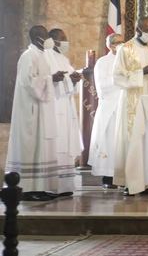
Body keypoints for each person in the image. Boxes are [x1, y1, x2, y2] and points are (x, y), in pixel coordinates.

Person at [5, 25, 67, 201]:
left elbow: (43, 80)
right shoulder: (28, 56)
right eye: (46, 35)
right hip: (30, 112)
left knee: (42, 147)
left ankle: (40, 187)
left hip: (43, 110)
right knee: (32, 147)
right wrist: (50, 79)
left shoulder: (41, 55)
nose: (48, 38)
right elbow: (28, 83)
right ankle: (27, 189)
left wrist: (54, 79)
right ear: (37, 38)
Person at [113, 17, 148, 195]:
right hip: (132, 100)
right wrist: (140, 72)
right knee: (134, 137)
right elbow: (117, 76)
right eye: (146, 30)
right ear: (137, 29)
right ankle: (131, 183)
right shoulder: (125, 49)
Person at [45, 28, 83, 196]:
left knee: (65, 143)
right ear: (53, 40)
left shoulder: (63, 58)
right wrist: (67, 80)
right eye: (63, 38)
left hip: (65, 106)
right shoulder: (46, 57)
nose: (66, 41)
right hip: (54, 106)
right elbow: (48, 81)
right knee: (57, 144)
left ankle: (65, 186)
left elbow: (68, 81)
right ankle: (53, 186)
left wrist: (74, 80)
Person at [89, 33, 123, 189]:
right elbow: (102, 86)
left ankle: (123, 176)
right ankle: (108, 177)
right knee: (109, 141)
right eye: (118, 42)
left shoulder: (127, 60)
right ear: (110, 45)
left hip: (125, 106)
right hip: (110, 106)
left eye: (123, 42)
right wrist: (122, 79)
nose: (122, 45)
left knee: (122, 143)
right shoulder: (102, 62)